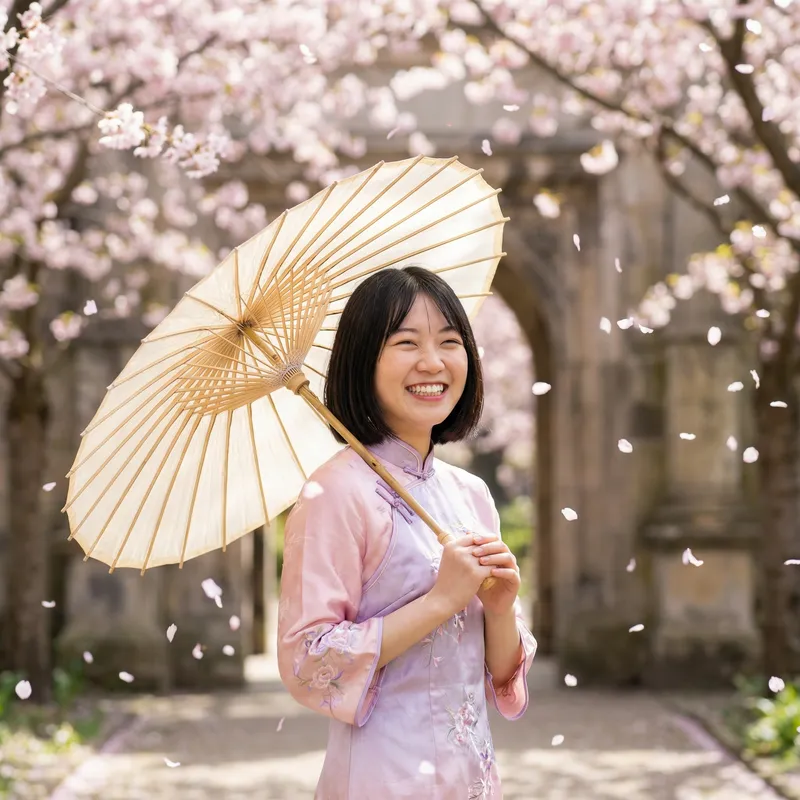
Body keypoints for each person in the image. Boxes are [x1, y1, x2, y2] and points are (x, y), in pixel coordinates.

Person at [277, 265, 536, 799]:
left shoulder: (470, 494)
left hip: (471, 778)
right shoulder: (335, 492)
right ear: (363, 360)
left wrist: (499, 608)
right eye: (406, 343)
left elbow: (499, 675)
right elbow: (307, 659)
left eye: (449, 341)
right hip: (383, 777)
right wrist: (441, 600)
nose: (433, 362)